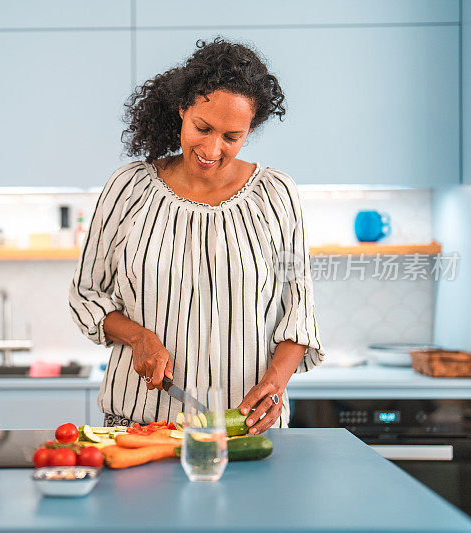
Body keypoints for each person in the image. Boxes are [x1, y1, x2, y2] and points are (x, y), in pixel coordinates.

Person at [69, 38, 324, 434]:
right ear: (181, 110)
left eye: (231, 137)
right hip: (139, 424)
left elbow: (299, 311)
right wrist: (138, 337)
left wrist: (275, 384)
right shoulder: (128, 188)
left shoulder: (278, 196)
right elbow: (87, 294)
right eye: (202, 128)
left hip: (244, 427)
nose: (212, 148)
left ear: (249, 131)